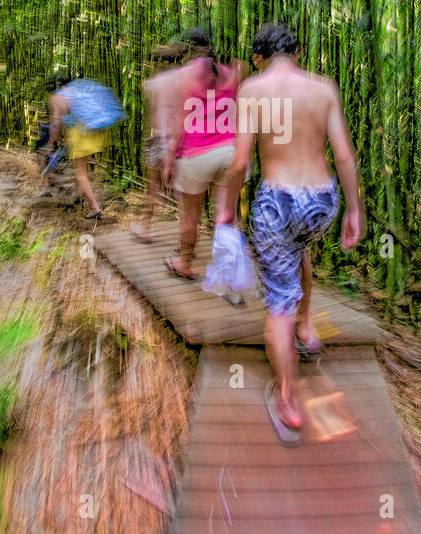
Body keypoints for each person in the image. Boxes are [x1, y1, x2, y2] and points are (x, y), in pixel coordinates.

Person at [215, 22, 364, 444]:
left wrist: (227, 206)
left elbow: (241, 163)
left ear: (259, 57)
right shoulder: (324, 88)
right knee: (300, 253)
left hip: (277, 204)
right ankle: (306, 329)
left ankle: (287, 398)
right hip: (321, 204)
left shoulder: (252, 90)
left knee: (278, 297)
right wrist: (355, 211)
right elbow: (345, 156)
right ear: (296, 52)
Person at [161, 29, 245, 279]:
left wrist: (168, 159)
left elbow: (179, 121)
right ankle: (231, 271)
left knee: (190, 216)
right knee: (226, 216)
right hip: (230, 151)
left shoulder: (183, 75)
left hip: (195, 154)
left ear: (188, 48)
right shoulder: (232, 72)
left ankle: (185, 263)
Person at [41, 72, 125, 220]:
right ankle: (79, 196)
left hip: (80, 134)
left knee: (80, 173)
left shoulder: (56, 97)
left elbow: (55, 124)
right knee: (81, 169)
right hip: (94, 131)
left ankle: (94, 207)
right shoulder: (75, 90)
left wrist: (50, 144)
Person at [130, 41, 188, 243]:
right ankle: (186, 237)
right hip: (177, 140)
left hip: (156, 139)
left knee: (153, 188)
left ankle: (145, 228)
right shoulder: (183, 80)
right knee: (181, 191)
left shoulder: (153, 83)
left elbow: (151, 113)